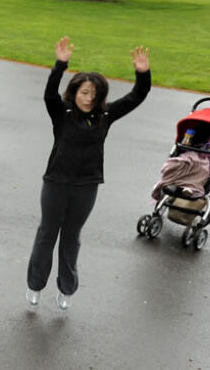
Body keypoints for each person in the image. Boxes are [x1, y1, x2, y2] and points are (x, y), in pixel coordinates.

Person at [26, 36, 150, 311]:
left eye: (94, 95)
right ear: (74, 92)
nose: (88, 98)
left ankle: (66, 290)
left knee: (71, 237)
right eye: (84, 92)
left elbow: (136, 97)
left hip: (86, 186)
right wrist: (60, 64)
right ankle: (35, 285)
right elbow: (49, 94)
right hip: (56, 183)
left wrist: (142, 74)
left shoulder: (105, 116)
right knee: (47, 234)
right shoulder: (62, 112)